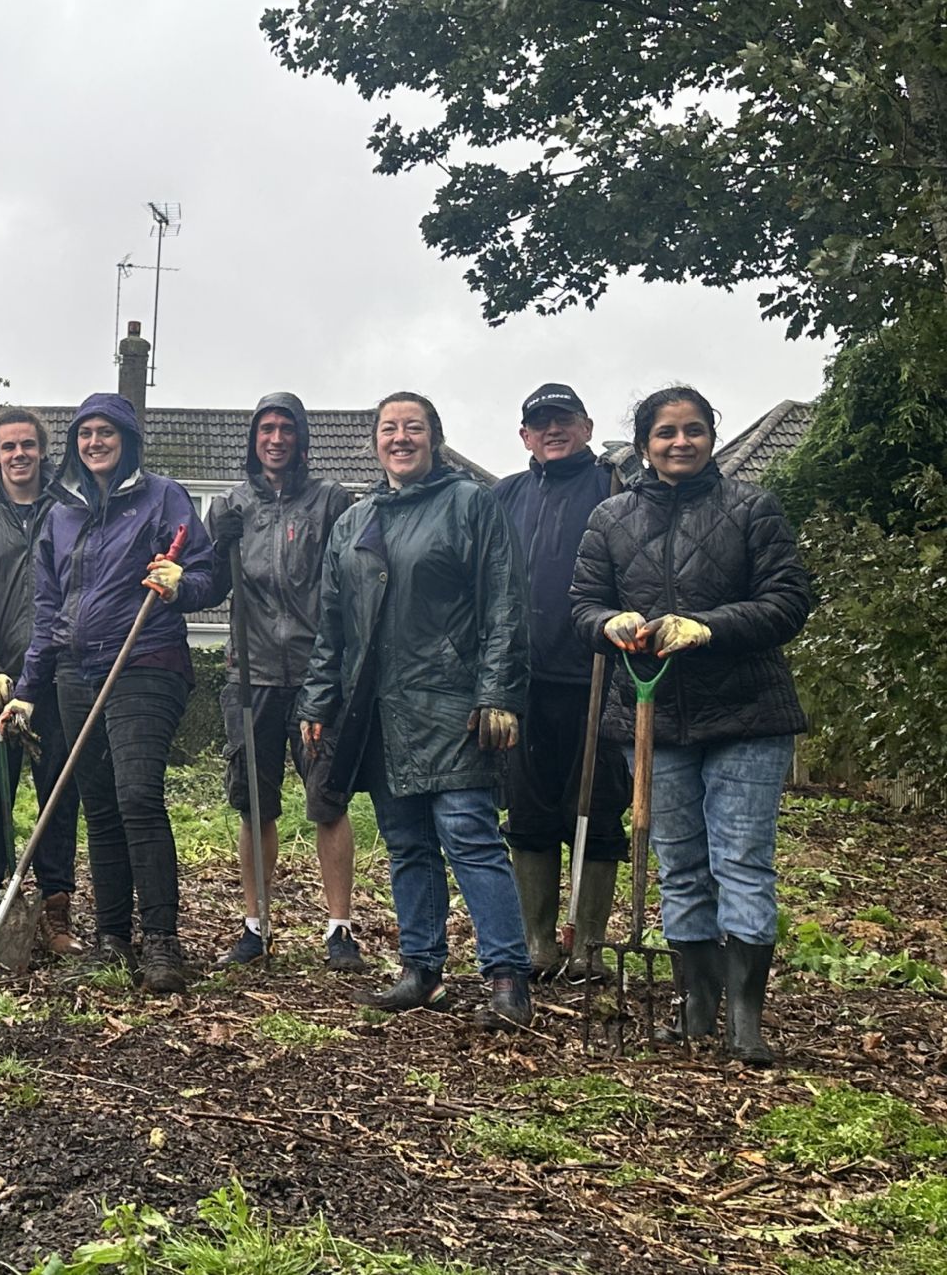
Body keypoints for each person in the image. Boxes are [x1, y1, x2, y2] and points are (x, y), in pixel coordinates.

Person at [571, 385, 812, 1066]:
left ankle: (744, 1020)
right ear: (645, 444)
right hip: (652, 717)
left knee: (739, 861)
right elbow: (583, 604)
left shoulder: (751, 508)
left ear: (711, 436)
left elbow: (788, 602)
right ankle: (696, 1007)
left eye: (694, 430)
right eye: (666, 433)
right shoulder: (611, 519)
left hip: (747, 714)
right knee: (680, 864)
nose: (681, 442)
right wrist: (606, 624)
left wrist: (708, 627)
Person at [298, 392, 535, 1027]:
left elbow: (505, 604)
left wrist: (498, 693)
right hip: (375, 709)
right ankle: (422, 969)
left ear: (435, 437)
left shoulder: (469, 504)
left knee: (469, 835)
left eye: (413, 427)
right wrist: (319, 699)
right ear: (375, 442)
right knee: (405, 842)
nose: (400, 438)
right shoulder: (353, 521)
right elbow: (332, 626)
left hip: (451, 701)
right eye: (388, 428)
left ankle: (508, 977)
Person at [4, 393, 218, 994]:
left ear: (127, 438)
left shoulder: (163, 495)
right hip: (75, 670)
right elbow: (47, 609)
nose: (93, 442)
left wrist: (183, 584)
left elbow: (205, 573)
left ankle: (162, 944)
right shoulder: (61, 513)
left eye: (106, 432)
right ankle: (111, 939)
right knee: (98, 805)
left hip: (146, 661)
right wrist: (27, 689)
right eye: (84, 433)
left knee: (137, 796)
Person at [205, 392, 363, 971]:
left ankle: (340, 928)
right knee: (254, 803)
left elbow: (349, 590)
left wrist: (336, 667)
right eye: (265, 428)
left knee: (327, 800)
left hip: (318, 674)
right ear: (253, 439)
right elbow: (209, 589)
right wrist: (214, 545)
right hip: (250, 674)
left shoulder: (331, 502)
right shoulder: (231, 505)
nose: (275, 438)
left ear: (300, 438)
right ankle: (256, 924)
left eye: (285, 428)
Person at [491, 383, 631, 980]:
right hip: (523, 682)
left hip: (599, 676)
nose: (553, 430)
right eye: (541, 422)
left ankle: (591, 947)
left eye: (564, 419)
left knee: (597, 809)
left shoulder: (616, 489)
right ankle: (537, 945)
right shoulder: (503, 496)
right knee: (528, 812)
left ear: (587, 425)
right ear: (524, 435)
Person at [0, 409, 84, 958]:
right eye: (8, 447)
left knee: (57, 790)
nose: (19, 454)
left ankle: (56, 909)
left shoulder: (71, 511)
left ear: (42, 452)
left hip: (55, 679)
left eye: (28, 445)